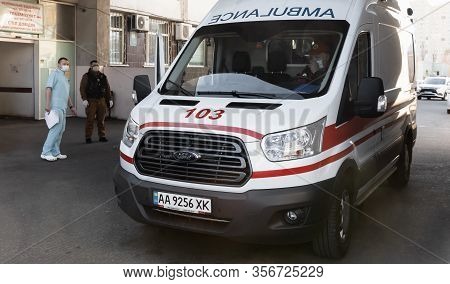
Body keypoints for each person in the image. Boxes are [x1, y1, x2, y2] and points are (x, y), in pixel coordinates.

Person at [41, 57, 77, 162]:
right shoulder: (54, 74)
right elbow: (48, 89)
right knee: (55, 129)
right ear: (58, 65)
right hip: (55, 106)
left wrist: (71, 106)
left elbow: (67, 94)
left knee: (61, 130)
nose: (66, 65)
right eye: (64, 63)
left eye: (67, 64)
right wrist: (47, 104)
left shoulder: (65, 77)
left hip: (63, 107)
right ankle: (45, 152)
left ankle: (55, 152)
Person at [80, 60, 113, 144]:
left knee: (101, 120)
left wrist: (109, 99)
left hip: (101, 100)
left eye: (97, 65)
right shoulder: (86, 76)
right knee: (90, 120)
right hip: (91, 101)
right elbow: (82, 88)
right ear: (91, 67)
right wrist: (84, 99)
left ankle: (102, 136)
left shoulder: (103, 76)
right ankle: (88, 137)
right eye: (94, 65)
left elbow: (107, 89)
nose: (96, 67)